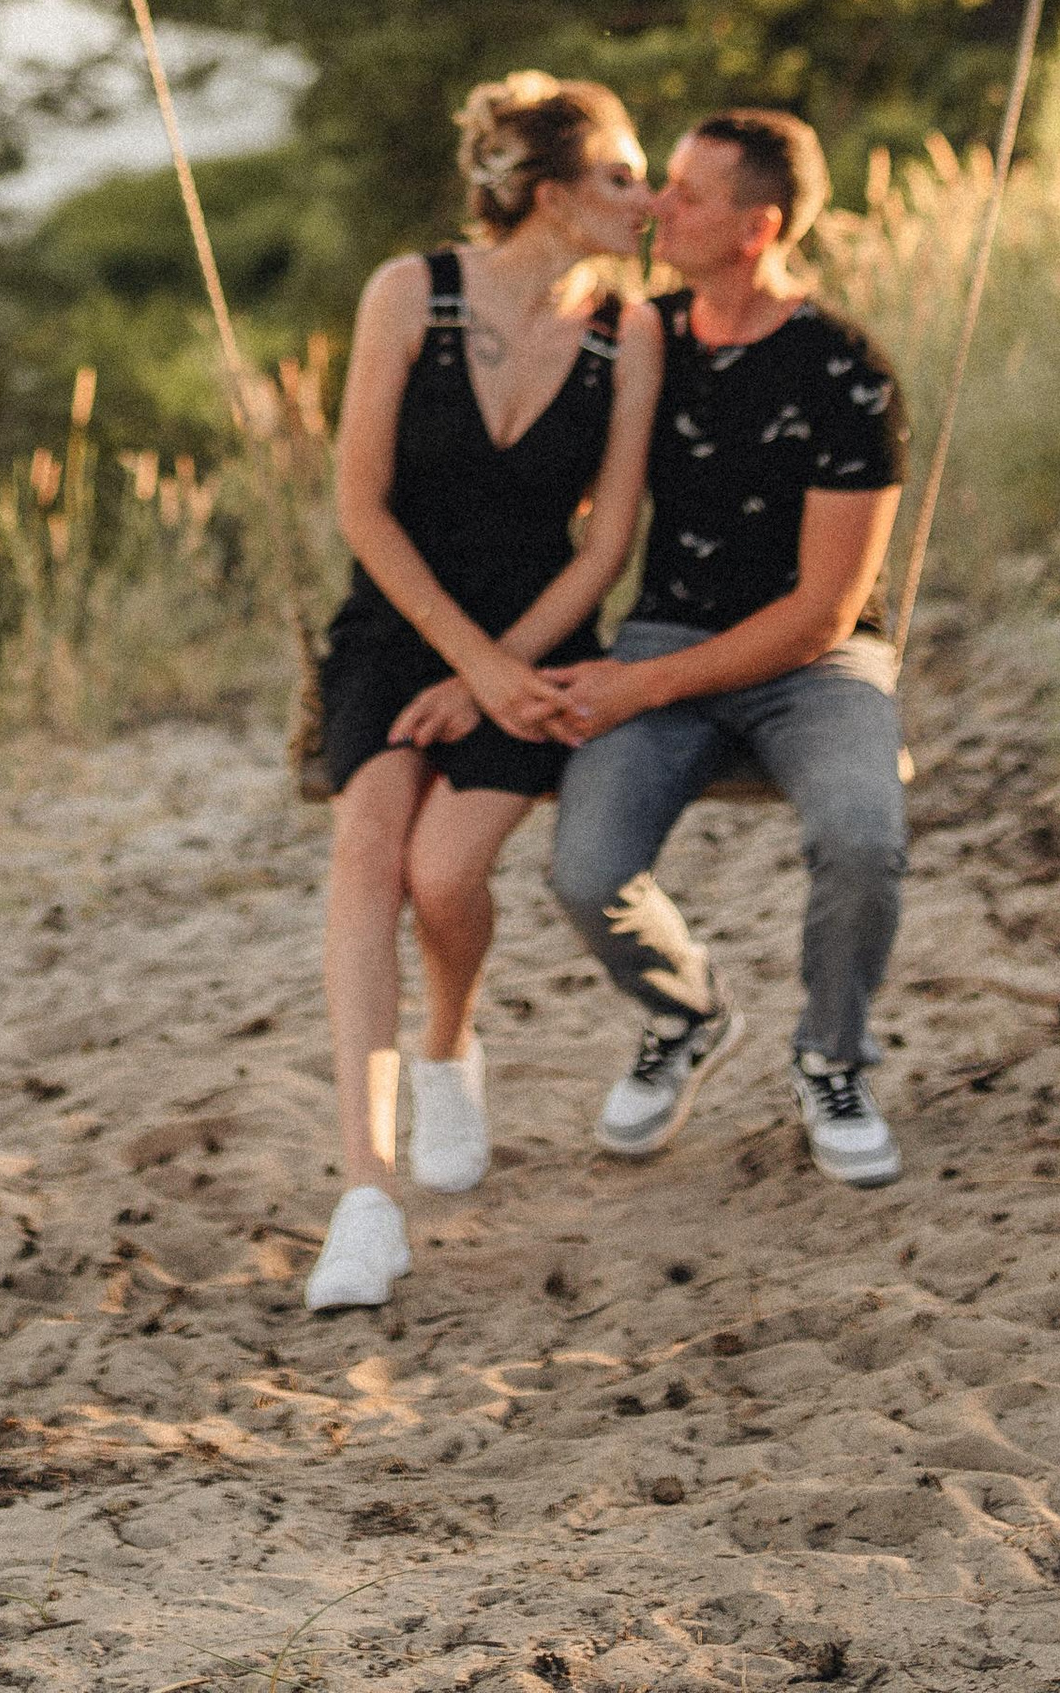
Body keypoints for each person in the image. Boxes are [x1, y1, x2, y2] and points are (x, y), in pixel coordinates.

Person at [304, 72, 659, 1314]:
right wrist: (466, 664)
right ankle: (365, 1194)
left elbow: (606, 543)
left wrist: (506, 673)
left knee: (446, 876)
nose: (648, 197)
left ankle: (448, 1045)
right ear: (553, 194)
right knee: (369, 846)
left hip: (541, 634)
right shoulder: (412, 294)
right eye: (624, 176)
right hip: (402, 623)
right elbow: (360, 506)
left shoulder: (631, 329)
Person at [548, 108, 910, 1190]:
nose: (660, 207)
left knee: (861, 832)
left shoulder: (847, 373)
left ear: (756, 229)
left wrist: (639, 686)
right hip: (670, 627)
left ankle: (831, 1058)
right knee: (585, 870)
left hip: (815, 657)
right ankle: (686, 1011)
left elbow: (820, 615)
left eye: (689, 195)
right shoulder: (641, 340)